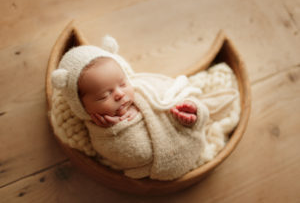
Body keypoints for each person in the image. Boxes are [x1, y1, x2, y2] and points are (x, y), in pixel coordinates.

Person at [51, 36, 240, 180]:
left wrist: (193, 112)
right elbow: (134, 155)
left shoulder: (143, 88)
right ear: (82, 107)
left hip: (187, 131)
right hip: (165, 164)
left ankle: (196, 116)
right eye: (104, 95)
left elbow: (171, 92)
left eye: (122, 83)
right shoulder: (101, 132)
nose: (118, 94)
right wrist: (117, 130)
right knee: (140, 152)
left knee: (193, 106)